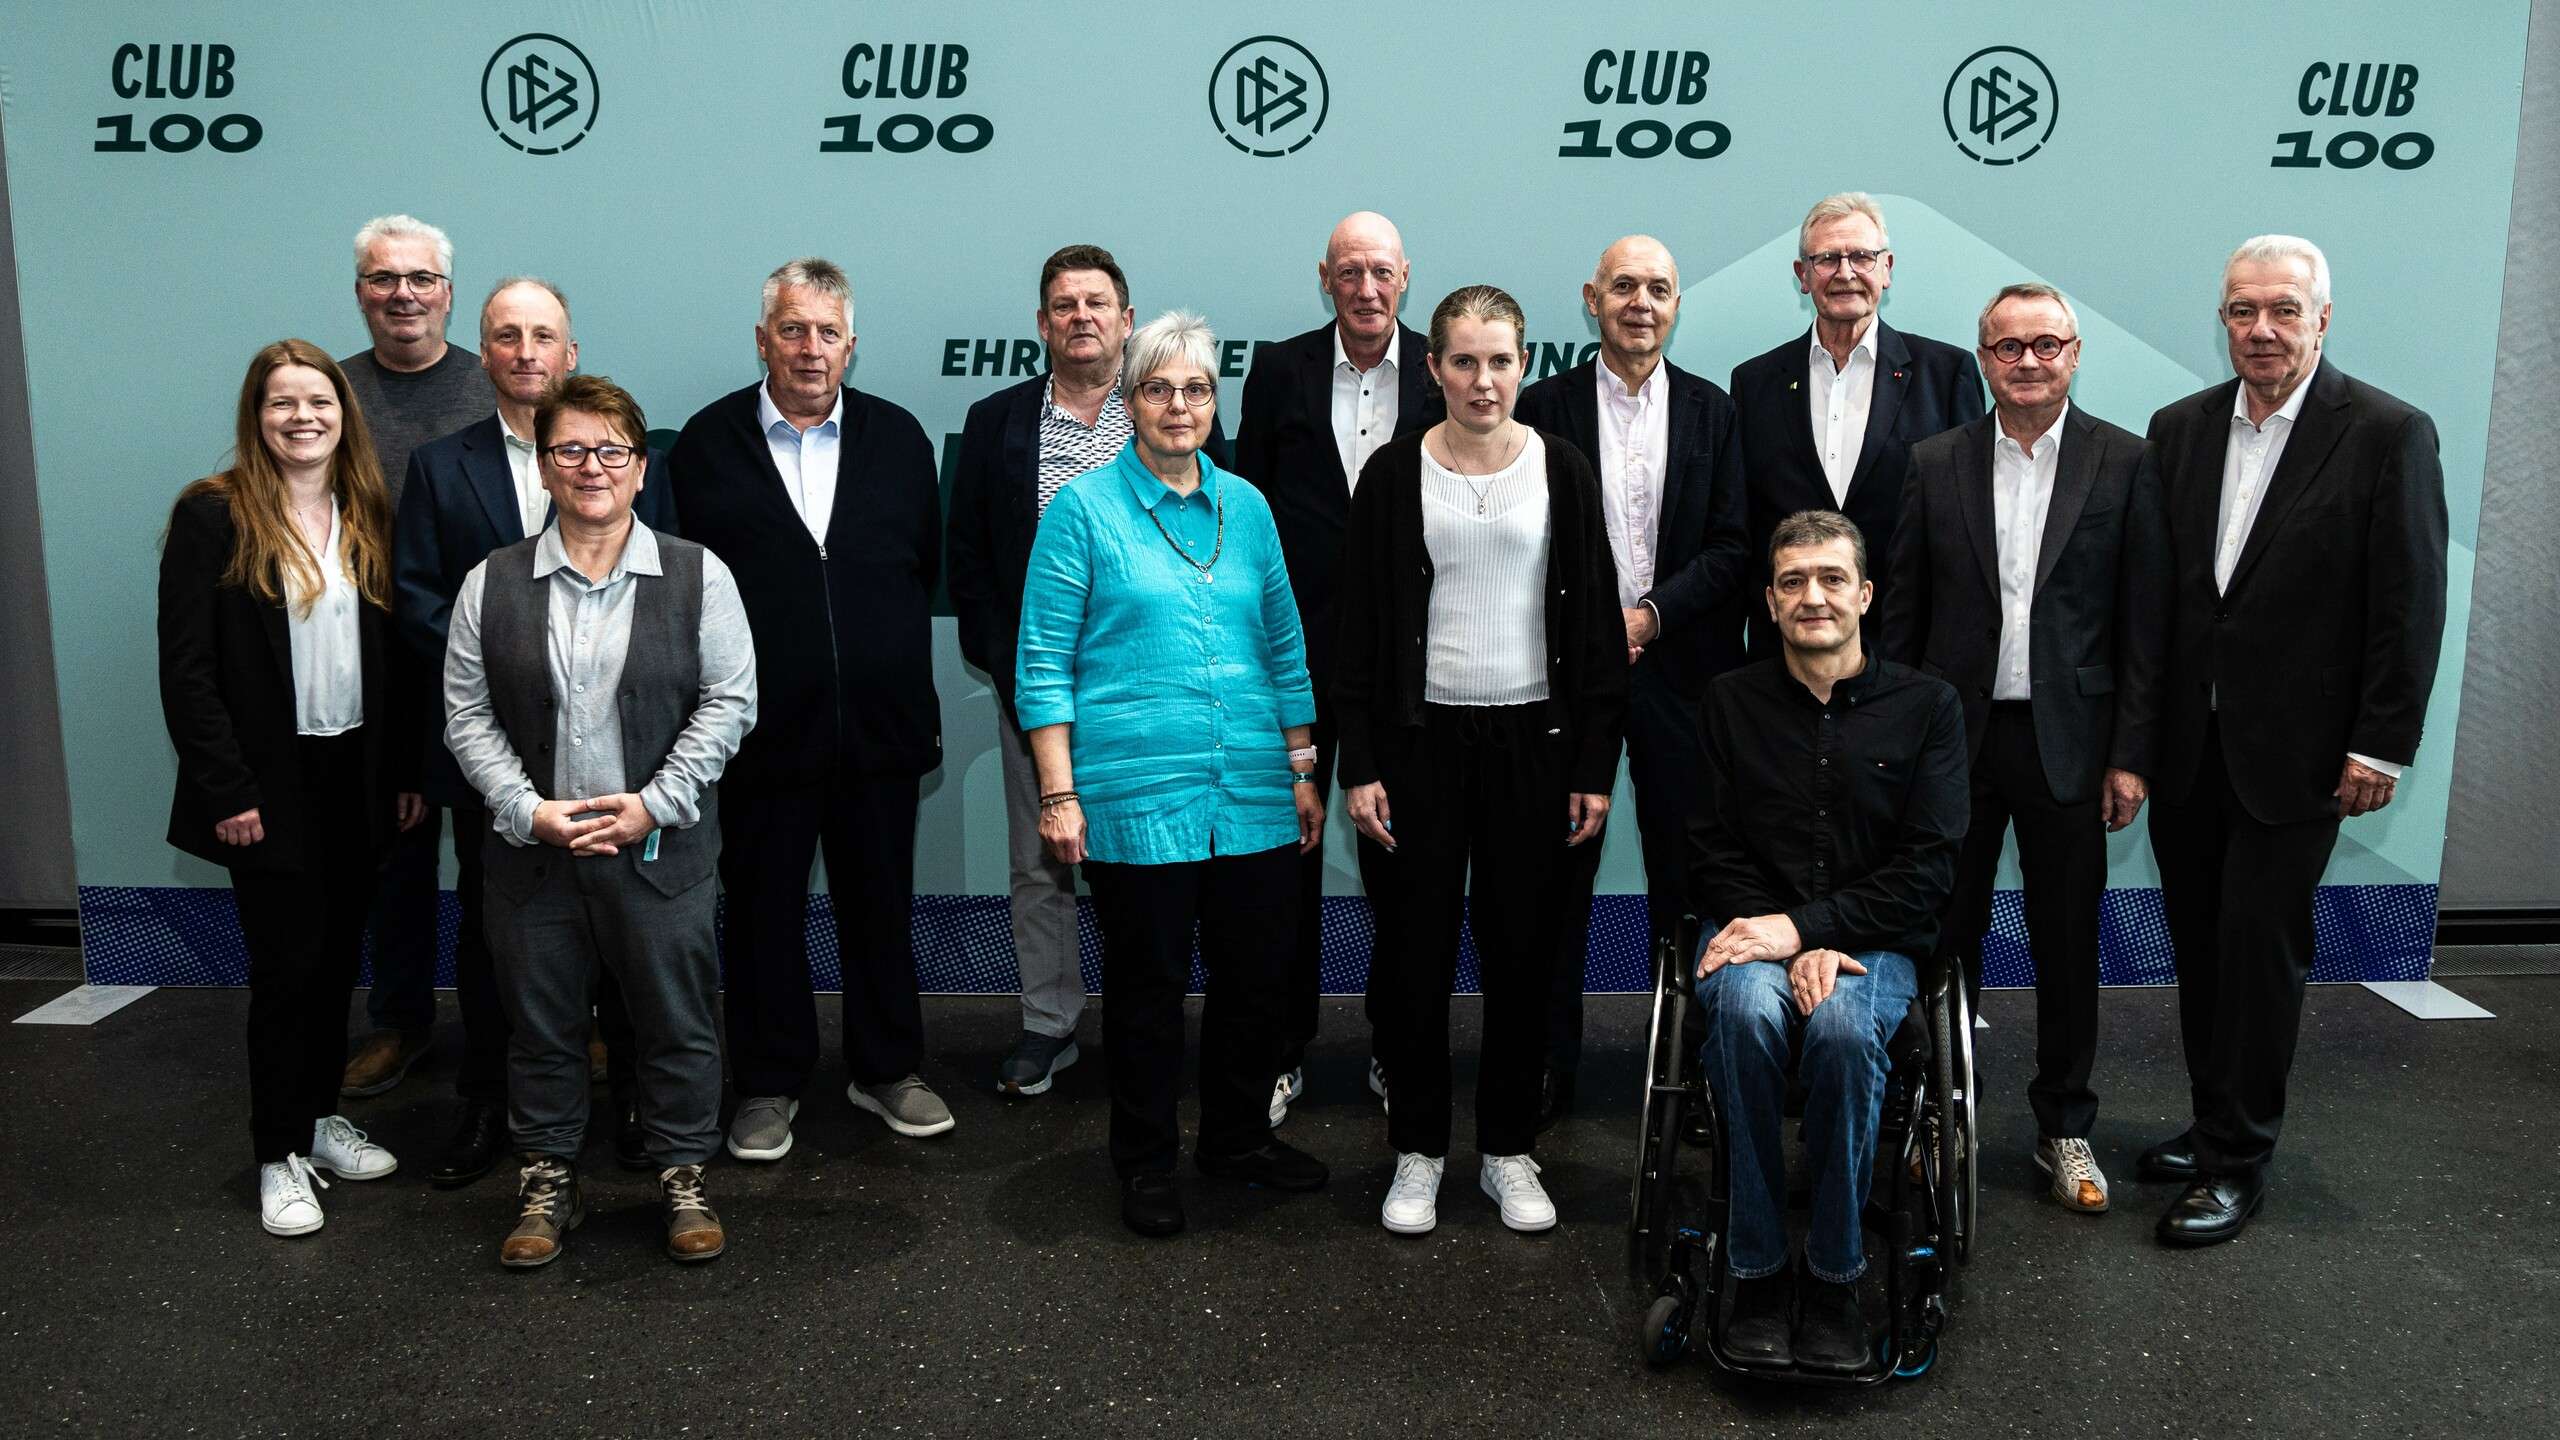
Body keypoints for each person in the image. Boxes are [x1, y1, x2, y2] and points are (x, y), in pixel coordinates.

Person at [2140, 236, 2448, 1246]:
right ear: (2222, 320)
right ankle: (2210, 1122)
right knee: (2200, 947)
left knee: (2259, 952)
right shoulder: (2179, 429)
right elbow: (2166, 601)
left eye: (2282, 310)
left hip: (2304, 756)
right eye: (2242, 311)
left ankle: (2238, 1161)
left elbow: (2408, 602)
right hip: (2190, 749)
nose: (2261, 330)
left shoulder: (2388, 433)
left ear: (2322, 319)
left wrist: (2380, 744)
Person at [1013, 310, 1330, 1237]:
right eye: (1158, 388)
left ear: (1214, 402)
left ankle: (1236, 1140)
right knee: (1148, 993)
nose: (1179, 406)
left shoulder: (1250, 507)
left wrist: (1302, 767)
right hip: (1135, 796)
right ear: (1129, 400)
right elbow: (1042, 662)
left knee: (1254, 983)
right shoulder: (1081, 511)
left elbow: (1285, 644)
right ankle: (1145, 1162)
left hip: (1254, 791)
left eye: (1195, 389)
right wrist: (1059, 792)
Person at [1332, 285, 1627, 1237]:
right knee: (1413, 957)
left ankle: (1507, 1150)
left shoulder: (1563, 468)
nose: (1483, 379)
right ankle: (1418, 1150)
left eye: (1500, 360)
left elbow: (1595, 631)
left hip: (1536, 747)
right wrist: (1360, 763)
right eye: (1463, 360)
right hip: (1417, 749)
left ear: (1525, 364)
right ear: (1434, 368)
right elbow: (1358, 629)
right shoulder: (1391, 475)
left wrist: (1594, 766)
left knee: (1524, 956)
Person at [443, 374, 756, 1268]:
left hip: (660, 852)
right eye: (571, 450)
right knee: (541, 1030)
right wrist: (526, 811)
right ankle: (549, 1181)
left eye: (611, 450)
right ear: (544, 467)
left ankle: (683, 1176)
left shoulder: (700, 575)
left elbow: (729, 703)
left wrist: (652, 804)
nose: (593, 467)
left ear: (641, 467)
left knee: (677, 1024)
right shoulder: (489, 582)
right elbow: (468, 715)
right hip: (533, 859)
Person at [1881, 283, 2169, 1216]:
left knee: (2067, 944)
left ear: (2075, 354)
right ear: (1984, 360)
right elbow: (1902, 617)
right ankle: (1936, 1117)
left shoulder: (2126, 462)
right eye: (2009, 347)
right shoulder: (1935, 462)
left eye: (2047, 344)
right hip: (1952, 745)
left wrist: (2132, 755)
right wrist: (1895, 747)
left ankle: (2064, 1127)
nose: (2029, 361)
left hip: (2073, 747)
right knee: (1941, 938)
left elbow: (2144, 625)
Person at [392, 278, 674, 1186]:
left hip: (621, 752)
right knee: (493, 939)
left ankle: (633, 1099)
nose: (525, 352)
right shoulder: (440, 466)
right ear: (482, 355)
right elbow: (417, 597)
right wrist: (517, 670)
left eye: (543, 335)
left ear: (570, 352)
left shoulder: (627, 456)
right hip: (495, 756)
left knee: (627, 932)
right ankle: (489, 1102)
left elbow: (666, 598)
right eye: (506, 336)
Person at [669, 258, 952, 1159]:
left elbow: (921, 567)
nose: (810, 348)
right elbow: (684, 588)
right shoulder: (706, 443)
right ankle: (767, 1082)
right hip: (759, 732)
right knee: (762, 913)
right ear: (763, 340)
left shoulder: (899, 438)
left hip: (880, 729)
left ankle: (888, 1070)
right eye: (793, 329)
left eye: (828, 332)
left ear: (851, 345)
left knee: (882, 907)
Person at [157, 339, 424, 1236]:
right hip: (264, 786)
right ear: (257, 416)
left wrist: (405, 774)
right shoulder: (213, 514)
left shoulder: (368, 510)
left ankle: (317, 1121)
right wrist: (226, 789)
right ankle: (278, 1154)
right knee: (286, 972)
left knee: (339, 960)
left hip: (357, 776)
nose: (302, 417)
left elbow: (395, 661)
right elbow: (188, 670)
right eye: (282, 403)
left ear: (344, 416)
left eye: (319, 402)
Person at [947, 244, 1228, 1097]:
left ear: (1127, 320)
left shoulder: (1166, 408)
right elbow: (971, 567)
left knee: (1157, 863)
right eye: (1065, 305)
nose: (1082, 317)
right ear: (1042, 324)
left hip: (1155, 694)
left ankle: (1152, 1024)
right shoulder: (996, 422)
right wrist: (1017, 679)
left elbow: (1216, 539)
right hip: (1042, 693)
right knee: (1042, 863)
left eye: (1097, 303)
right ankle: (1049, 1023)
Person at [1691, 510, 1967, 1373]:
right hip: (1751, 930)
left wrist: (1811, 930)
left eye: (1832, 578)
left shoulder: (1928, 707)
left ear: (1865, 595)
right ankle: (1758, 1271)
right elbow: (1708, 847)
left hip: (1875, 942)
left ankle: (1836, 1276)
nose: (1814, 596)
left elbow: (1928, 868)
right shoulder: (1728, 703)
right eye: (1793, 582)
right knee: (1744, 1014)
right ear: (1771, 602)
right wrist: (1780, 938)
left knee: (1845, 1029)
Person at [1514, 235, 1748, 1127]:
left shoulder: (1715, 411)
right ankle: (1545, 1068)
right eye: (1623, 286)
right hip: (1563, 681)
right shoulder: (1541, 408)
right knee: (1553, 879)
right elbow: (1521, 541)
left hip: (1685, 676)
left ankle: (1688, 1071)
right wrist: (1593, 627)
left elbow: (1733, 546)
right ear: (1592, 299)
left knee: (1687, 884)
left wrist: (1648, 618)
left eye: (1657, 288)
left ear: (1677, 304)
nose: (1639, 302)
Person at [1234, 211, 1445, 1123]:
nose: (1366, 289)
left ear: (1406, 276)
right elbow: (1244, 512)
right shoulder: (1279, 369)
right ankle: (1283, 1051)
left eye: (1381, 272)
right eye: (1349, 272)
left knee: (1406, 868)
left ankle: (1396, 1050)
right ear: (1325, 278)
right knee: (1288, 862)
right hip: (1294, 657)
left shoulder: (1443, 366)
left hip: (1416, 667)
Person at [338, 214, 494, 1102]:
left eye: (421, 278)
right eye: (383, 278)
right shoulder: (330, 394)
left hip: (483, 661)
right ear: (360, 293)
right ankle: (399, 1023)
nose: (403, 294)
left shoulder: (493, 386)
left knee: (503, 864)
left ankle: (528, 1021)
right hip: (373, 665)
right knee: (395, 858)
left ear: (448, 293)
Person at [1730, 192, 1985, 657]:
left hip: (1907, 647)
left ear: (1887, 269)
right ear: (1802, 275)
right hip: (1787, 650)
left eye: (1862, 257)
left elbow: (1966, 526)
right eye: (1827, 259)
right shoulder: (1754, 382)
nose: (1845, 273)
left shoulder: (1946, 374)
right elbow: (1743, 524)